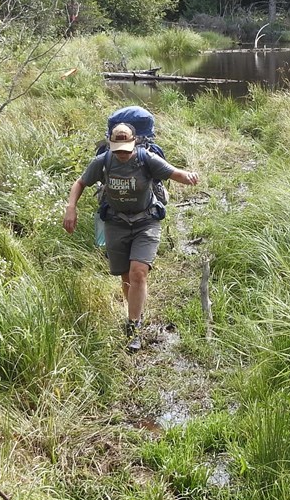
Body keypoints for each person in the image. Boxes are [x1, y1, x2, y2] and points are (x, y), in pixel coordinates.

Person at [62, 122, 199, 351]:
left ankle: (133, 327)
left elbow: (174, 172)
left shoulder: (146, 159)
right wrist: (71, 207)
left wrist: (189, 176)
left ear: (134, 142)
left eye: (127, 148)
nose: (123, 153)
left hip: (146, 221)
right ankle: (135, 310)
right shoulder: (103, 161)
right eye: (118, 149)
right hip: (116, 223)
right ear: (111, 144)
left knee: (138, 273)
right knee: (126, 278)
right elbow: (80, 182)